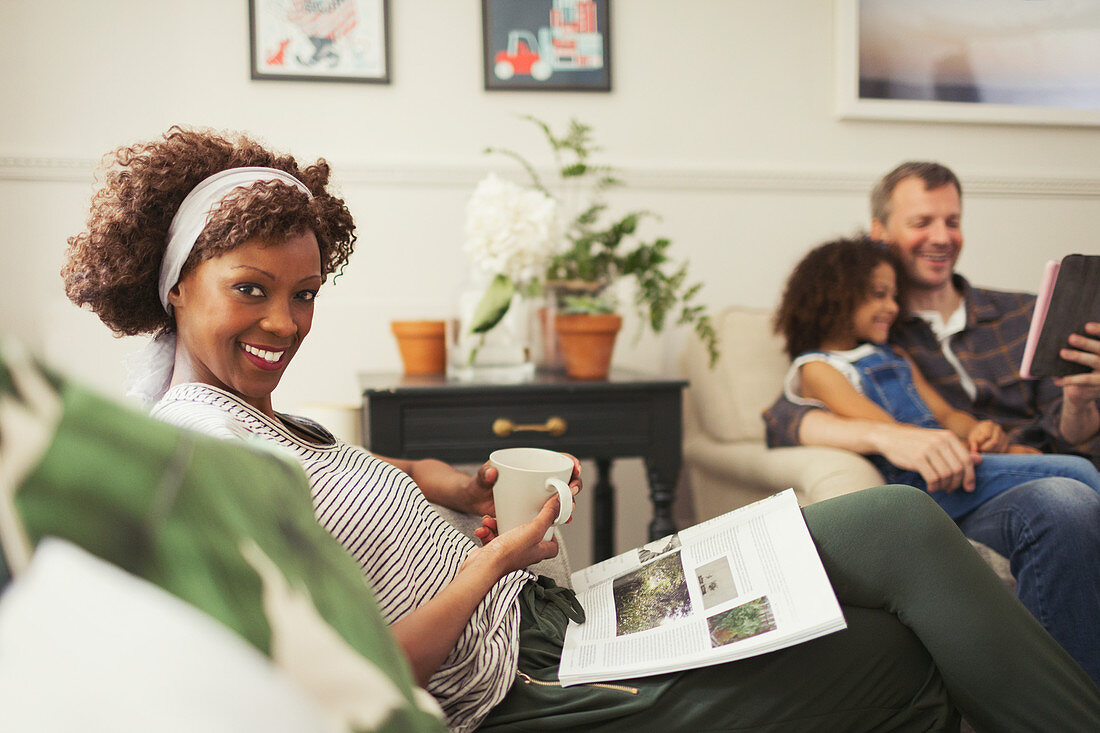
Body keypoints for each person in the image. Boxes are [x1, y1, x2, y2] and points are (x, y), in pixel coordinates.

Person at [62, 127, 1100, 731]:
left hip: (565, 609)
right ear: (173, 281)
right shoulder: (200, 455)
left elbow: (329, 469)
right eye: (252, 289)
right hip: (529, 685)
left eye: (301, 292)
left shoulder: (248, 418)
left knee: (897, 527)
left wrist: (444, 481)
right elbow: (348, 669)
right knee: (900, 662)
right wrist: (491, 563)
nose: (284, 322)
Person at [764, 161, 1100, 683]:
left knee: (1071, 486)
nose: (941, 237)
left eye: (952, 220)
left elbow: (992, 420)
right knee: (1069, 491)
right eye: (922, 222)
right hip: (955, 483)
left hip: (1022, 458)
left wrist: (1078, 403)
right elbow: (784, 417)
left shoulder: (1021, 314)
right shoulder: (882, 337)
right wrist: (891, 435)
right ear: (881, 235)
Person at [774, 236, 1100, 524]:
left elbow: (944, 415)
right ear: (836, 298)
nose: (892, 307)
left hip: (954, 465)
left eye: (894, 296)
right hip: (920, 479)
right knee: (1078, 471)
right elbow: (894, 435)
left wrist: (976, 431)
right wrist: (1006, 455)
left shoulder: (894, 355)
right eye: (879, 294)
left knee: (1068, 480)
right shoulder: (817, 368)